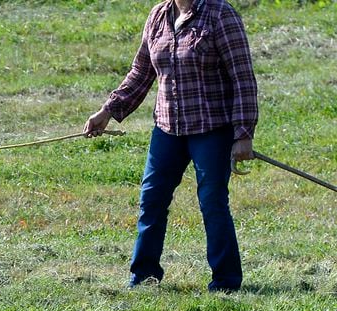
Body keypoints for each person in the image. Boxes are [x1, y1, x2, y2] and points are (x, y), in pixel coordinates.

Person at [85, 0, 258, 292]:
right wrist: (108, 111)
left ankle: (226, 282)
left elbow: (242, 78)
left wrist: (243, 133)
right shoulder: (158, 15)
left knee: (212, 202)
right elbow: (141, 72)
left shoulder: (220, 14)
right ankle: (144, 276)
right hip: (167, 128)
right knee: (151, 201)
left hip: (211, 129)